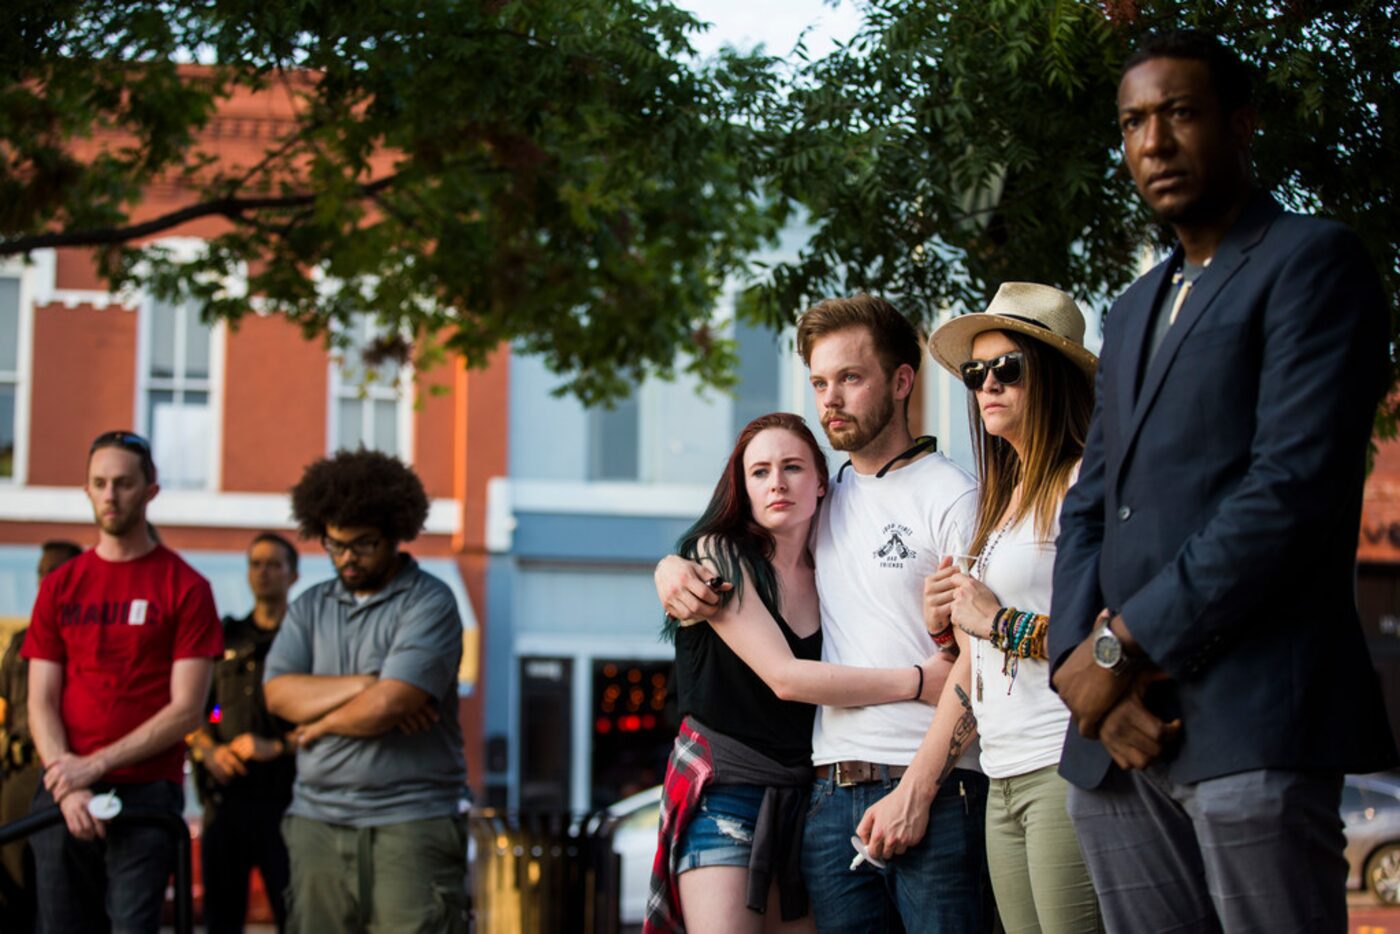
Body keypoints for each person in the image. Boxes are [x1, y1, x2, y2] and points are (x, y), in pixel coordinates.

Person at [1048, 30, 1397, 933]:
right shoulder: (1130, 312)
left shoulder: (1311, 263)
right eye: (1133, 123)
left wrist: (1118, 649)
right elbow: (1092, 501)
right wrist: (1078, 676)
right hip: (1116, 749)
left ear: (1240, 125)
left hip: (1255, 723)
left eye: (1180, 114)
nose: (1153, 143)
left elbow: (1289, 492)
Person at [657, 296, 989, 932]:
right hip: (827, 801)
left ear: (900, 382)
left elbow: (976, 669)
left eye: (850, 378)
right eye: (819, 382)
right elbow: (739, 539)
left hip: (935, 793)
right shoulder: (826, 499)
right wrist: (669, 568)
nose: (830, 398)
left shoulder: (954, 497)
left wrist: (915, 793)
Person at [647, 412, 949, 933]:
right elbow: (785, 677)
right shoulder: (720, 557)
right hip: (726, 791)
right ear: (742, 487)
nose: (777, 483)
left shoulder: (831, 562)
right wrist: (919, 681)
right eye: (759, 471)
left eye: (792, 467)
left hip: (807, 800)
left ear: (821, 484)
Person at [925, 283, 1102, 933]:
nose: (988, 385)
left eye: (1008, 369)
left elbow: (1113, 638)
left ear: (1051, 377)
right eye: (976, 373)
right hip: (1001, 768)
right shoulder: (1002, 503)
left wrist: (996, 619)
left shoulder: (1083, 485)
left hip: (1065, 759)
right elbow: (981, 650)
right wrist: (949, 626)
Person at [23, 430, 222, 933]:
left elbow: (188, 710)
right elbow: (41, 699)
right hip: (64, 790)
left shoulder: (187, 587)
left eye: (124, 484)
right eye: (100, 483)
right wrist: (67, 784)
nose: (110, 495)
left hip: (146, 793)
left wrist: (94, 766)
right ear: (86, 490)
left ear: (150, 491)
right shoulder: (60, 586)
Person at [264, 449, 468, 933]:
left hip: (411, 822)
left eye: (362, 545)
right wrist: (369, 682)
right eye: (334, 546)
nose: (346, 559)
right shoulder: (309, 606)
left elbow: (392, 705)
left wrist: (320, 723)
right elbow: (277, 694)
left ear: (396, 535)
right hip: (315, 821)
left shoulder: (430, 601)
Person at [188, 532, 300, 933]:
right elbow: (206, 709)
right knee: (221, 919)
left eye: (273, 564)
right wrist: (209, 748)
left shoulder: (302, 643)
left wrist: (277, 746)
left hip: (285, 804)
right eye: (256, 564)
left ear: (293, 575)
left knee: (295, 915)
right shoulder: (226, 638)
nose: (263, 573)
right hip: (226, 802)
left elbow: (322, 725)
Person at [0, 540, 82, 932]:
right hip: (16, 778)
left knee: (60, 898)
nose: (46, 580)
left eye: (57, 571)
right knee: (13, 893)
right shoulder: (20, 642)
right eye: (41, 572)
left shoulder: (88, 642)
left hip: (62, 778)